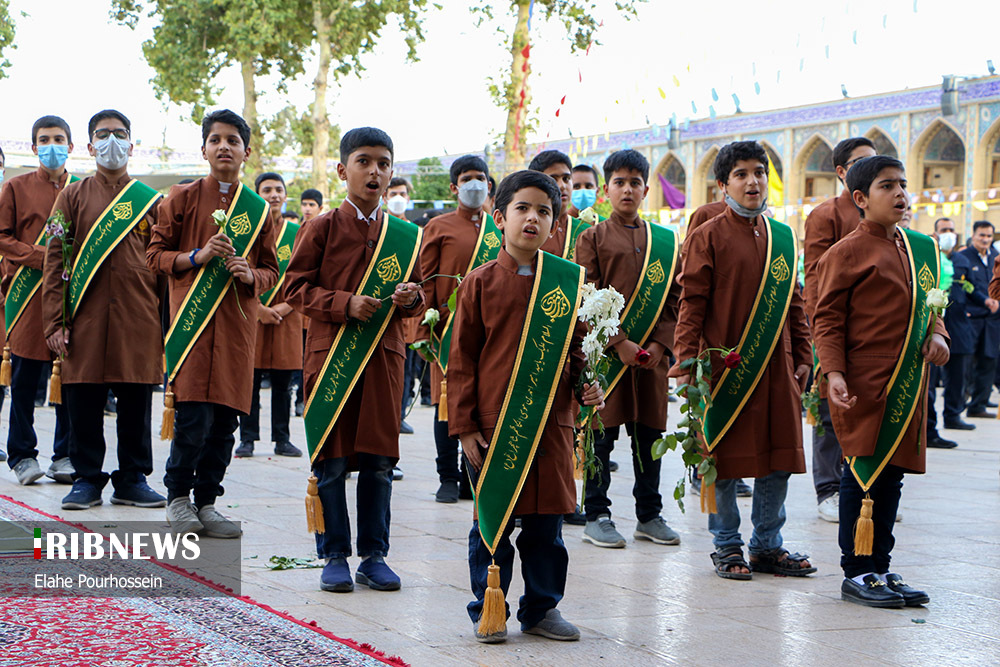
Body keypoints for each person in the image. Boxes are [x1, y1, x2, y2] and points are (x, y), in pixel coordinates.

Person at [448, 169, 602, 643]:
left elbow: (577, 354)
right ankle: (487, 607)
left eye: (544, 211)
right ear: (500, 217)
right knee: (493, 522)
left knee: (546, 525)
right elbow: (461, 361)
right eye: (523, 208)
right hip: (494, 426)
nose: (532, 218)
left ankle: (541, 608)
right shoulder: (478, 283)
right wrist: (465, 427)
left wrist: (588, 387)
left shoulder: (567, 283)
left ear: (556, 224)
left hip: (552, 425)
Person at [285, 127, 423, 593]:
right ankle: (334, 555)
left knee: (380, 462)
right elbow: (295, 289)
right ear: (343, 170)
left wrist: (411, 297)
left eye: (383, 163)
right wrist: (344, 303)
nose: (374, 171)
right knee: (333, 461)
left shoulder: (404, 235)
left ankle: (374, 555)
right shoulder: (320, 227)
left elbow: (418, 296)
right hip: (332, 360)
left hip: (383, 361)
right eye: (364, 161)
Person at [671, 140, 815, 580]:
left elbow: (793, 303)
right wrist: (686, 362)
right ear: (723, 185)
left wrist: (804, 353)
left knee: (778, 457)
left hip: (779, 366)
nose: (752, 182)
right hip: (725, 366)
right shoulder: (707, 235)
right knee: (725, 459)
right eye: (741, 174)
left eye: (759, 172)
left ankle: (767, 545)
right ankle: (727, 545)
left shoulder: (783, 237)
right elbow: (691, 304)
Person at [813, 155, 947, 608]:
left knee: (892, 477)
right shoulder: (844, 253)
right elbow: (826, 320)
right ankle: (857, 572)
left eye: (902, 185)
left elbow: (931, 308)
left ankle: (882, 568)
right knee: (861, 474)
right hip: (864, 381)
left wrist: (939, 335)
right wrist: (833, 372)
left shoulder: (919, 248)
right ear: (861, 198)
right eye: (887, 186)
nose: (900, 194)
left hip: (908, 380)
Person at [147, 109, 278, 538]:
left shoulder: (258, 210)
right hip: (192, 328)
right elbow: (154, 256)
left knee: (225, 423)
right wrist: (196, 256)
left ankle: (207, 503)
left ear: (246, 151)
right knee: (193, 420)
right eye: (216, 139)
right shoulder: (179, 198)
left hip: (237, 332)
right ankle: (177, 499)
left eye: (233, 140)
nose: (224, 147)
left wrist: (250, 275)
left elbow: (272, 271)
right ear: (203, 149)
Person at [42, 109, 166, 510]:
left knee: (135, 403)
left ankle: (133, 479)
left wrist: (166, 325)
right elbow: (55, 262)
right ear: (90, 145)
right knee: (83, 402)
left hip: (139, 317)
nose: (112, 141)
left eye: (119, 133)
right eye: (103, 134)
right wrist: (54, 322)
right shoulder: (71, 196)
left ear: (132, 143)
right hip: (85, 318)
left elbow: (163, 264)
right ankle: (86, 479)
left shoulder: (151, 201)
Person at [574, 149, 682, 549]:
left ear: (646, 190)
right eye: (619, 182)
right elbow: (587, 294)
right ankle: (597, 514)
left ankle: (649, 515)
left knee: (649, 437)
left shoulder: (665, 242)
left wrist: (660, 344)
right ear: (606, 190)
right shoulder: (592, 237)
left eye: (635, 183)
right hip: (607, 359)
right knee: (602, 437)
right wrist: (618, 342)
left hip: (651, 361)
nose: (627, 190)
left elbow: (674, 300)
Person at [802, 136, 877, 522]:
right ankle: (828, 489)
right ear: (842, 172)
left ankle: (862, 488)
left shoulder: (883, 213)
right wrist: (821, 329)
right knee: (830, 412)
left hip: (874, 335)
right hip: (834, 329)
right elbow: (815, 278)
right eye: (862, 161)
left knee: (867, 409)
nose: (871, 167)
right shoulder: (826, 214)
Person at [0, 115, 76, 486]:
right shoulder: (15, 187)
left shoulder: (82, 190)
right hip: (27, 294)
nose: (51, 146)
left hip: (70, 296)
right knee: (25, 377)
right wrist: (40, 256)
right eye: (44, 140)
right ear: (33, 148)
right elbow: (2, 236)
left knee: (70, 378)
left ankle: (65, 455)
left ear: (71, 146)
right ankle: (22, 455)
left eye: (58, 139)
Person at [416, 155, 496, 504]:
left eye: (480, 177)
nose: (474, 184)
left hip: (489, 331)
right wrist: (424, 330)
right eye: (467, 178)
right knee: (446, 403)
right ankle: (447, 476)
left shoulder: (499, 227)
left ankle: (471, 476)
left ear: (489, 185)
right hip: (447, 329)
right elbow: (425, 280)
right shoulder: (438, 227)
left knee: (482, 401)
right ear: (454, 187)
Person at [235, 172, 303, 459]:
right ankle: (247, 439)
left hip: (288, 316)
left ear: (285, 195)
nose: (273, 195)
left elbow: (308, 275)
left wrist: (285, 306)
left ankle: (282, 439)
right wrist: (259, 309)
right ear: (257, 195)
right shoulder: (246, 229)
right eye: (267, 190)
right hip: (253, 314)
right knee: (249, 381)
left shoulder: (298, 232)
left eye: (278, 189)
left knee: (283, 384)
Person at [953, 221, 1000, 419]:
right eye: (982, 235)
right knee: (966, 363)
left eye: (989, 236)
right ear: (973, 236)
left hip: (992, 320)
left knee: (988, 361)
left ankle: (978, 405)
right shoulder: (963, 257)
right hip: (970, 317)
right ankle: (959, 404)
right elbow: (961, 288)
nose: (985, 239)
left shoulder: (995, 257)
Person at [385, 176, 418, 442]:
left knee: (404, 371)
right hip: (378, 313)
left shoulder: (416, 233)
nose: (398, 198)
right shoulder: (379, 228)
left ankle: (399, 415)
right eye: (393, 193)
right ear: (384, 197)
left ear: (409, 198)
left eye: (402, 194)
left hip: (407, 318)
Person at [926, 218, 959, 448]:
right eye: (944, 230)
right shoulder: (926, 252)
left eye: (951, 230)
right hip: (921, 325)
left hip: (939, 323)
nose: (949, 234)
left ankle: (929, 430)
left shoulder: (952, 259)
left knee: (930, 385)